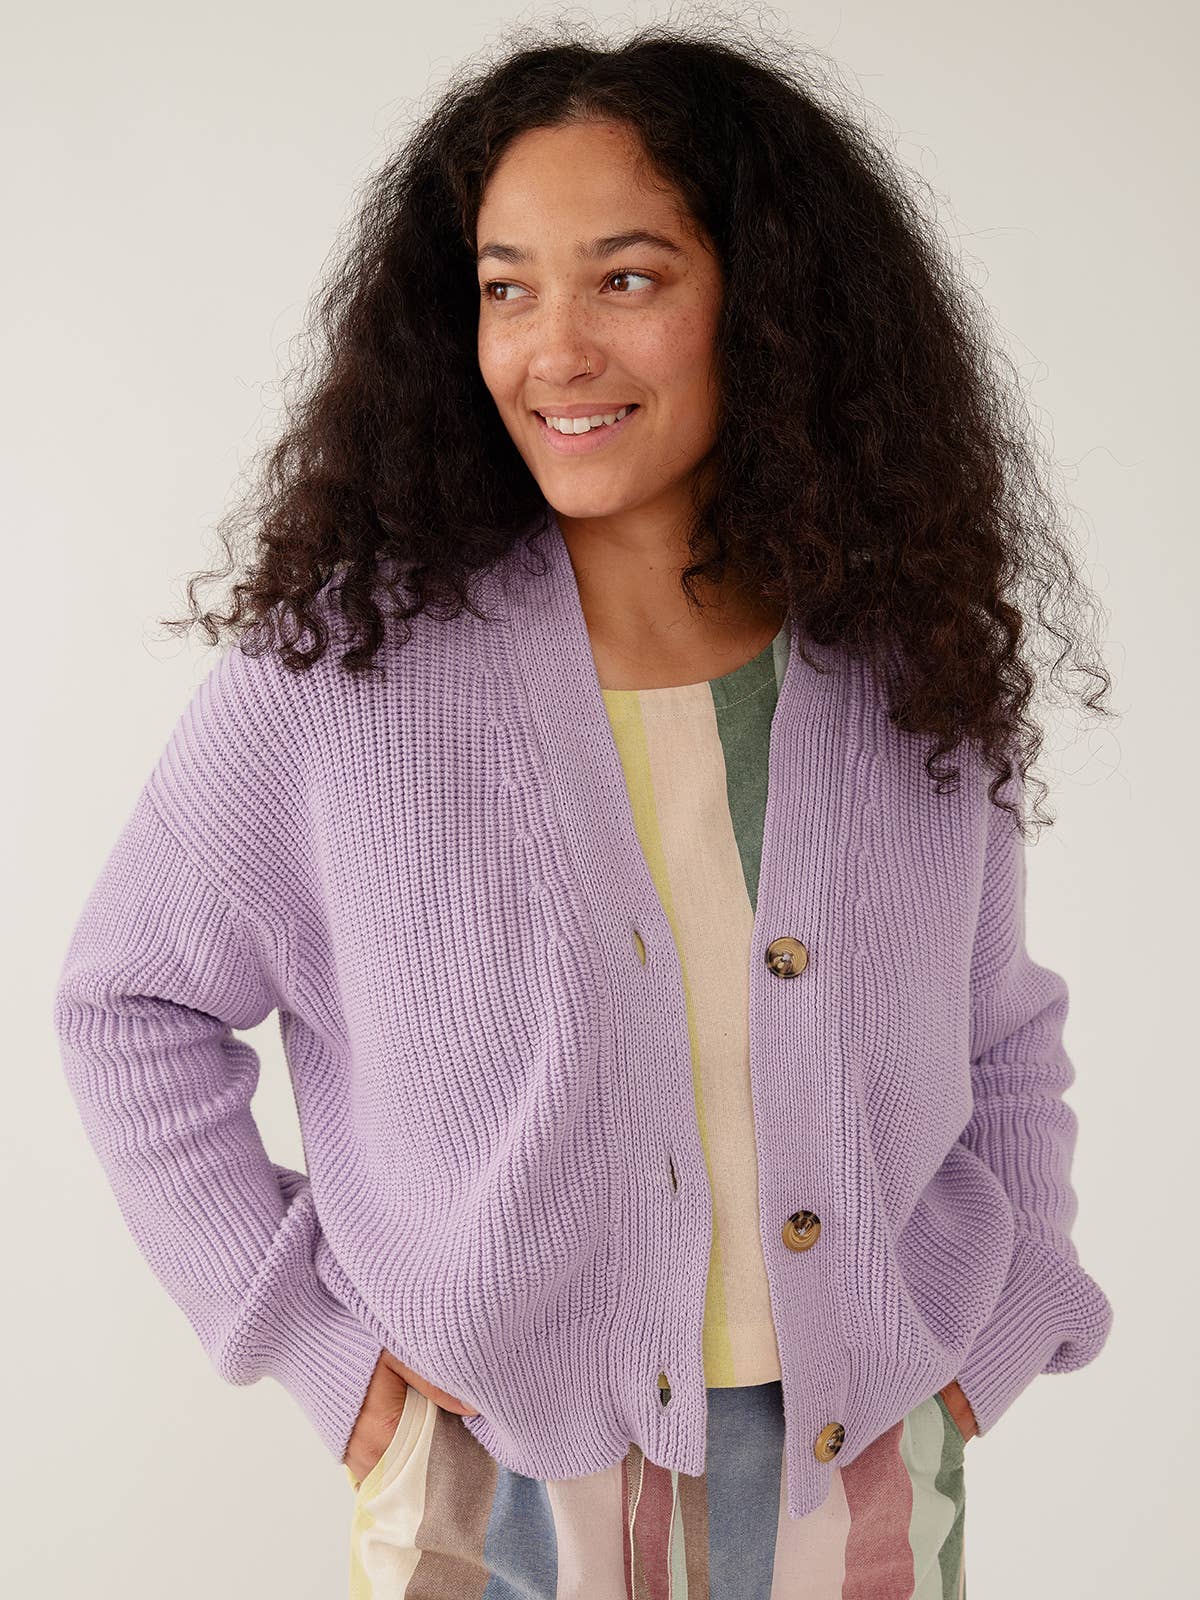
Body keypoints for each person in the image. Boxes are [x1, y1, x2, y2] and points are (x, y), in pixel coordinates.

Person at [52, 19, 1116, 1597]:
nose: (553, 349)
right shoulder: (348, 673)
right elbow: (127, 1004)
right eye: (507, 288)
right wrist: (323, 1355)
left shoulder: (897, 662)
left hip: (862, 1451)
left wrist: (1002, 1326)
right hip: (493, 1475)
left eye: (626, 278)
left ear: (768, 304)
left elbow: (1000, 1032)